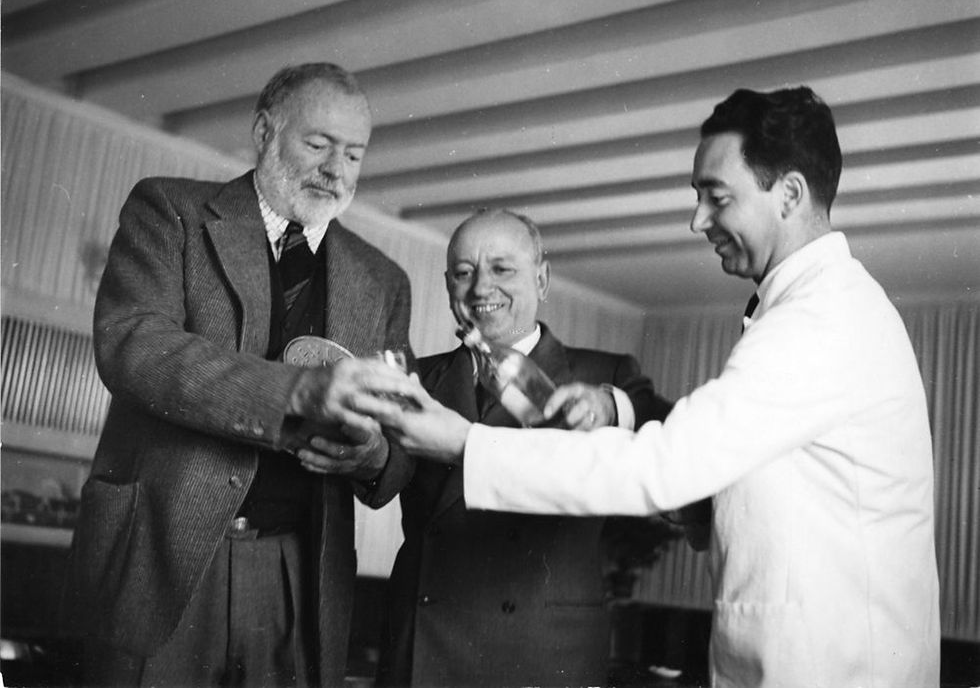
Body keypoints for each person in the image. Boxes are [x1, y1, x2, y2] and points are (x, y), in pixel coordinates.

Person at [356, 87, 941, 687]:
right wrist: (618, 413)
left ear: (789, 194)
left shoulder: (820, 318)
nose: (697, 220)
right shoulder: (814, 307)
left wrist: (464, 444)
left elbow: (666, 468)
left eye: (716, 197)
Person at [63, 63, 415, 687]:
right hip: (159, 560)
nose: (337, 170)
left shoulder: (384, 280)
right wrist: (298, 391)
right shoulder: (168, 211)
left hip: (298, 579)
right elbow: (133, 346)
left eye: (354, 154)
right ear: (263, 132)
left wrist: (369, 451)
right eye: (318, 144)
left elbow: (397, 456)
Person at [374, 209, 672, 687]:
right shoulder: (413, 378)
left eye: (501, 269)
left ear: (543, 278)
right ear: (449, 286)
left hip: (545, 649)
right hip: (426, 647)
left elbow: (674, 438)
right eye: (464, 273)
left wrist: (609, 407)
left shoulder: (607, 375)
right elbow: (377, 482)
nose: (480, 288)